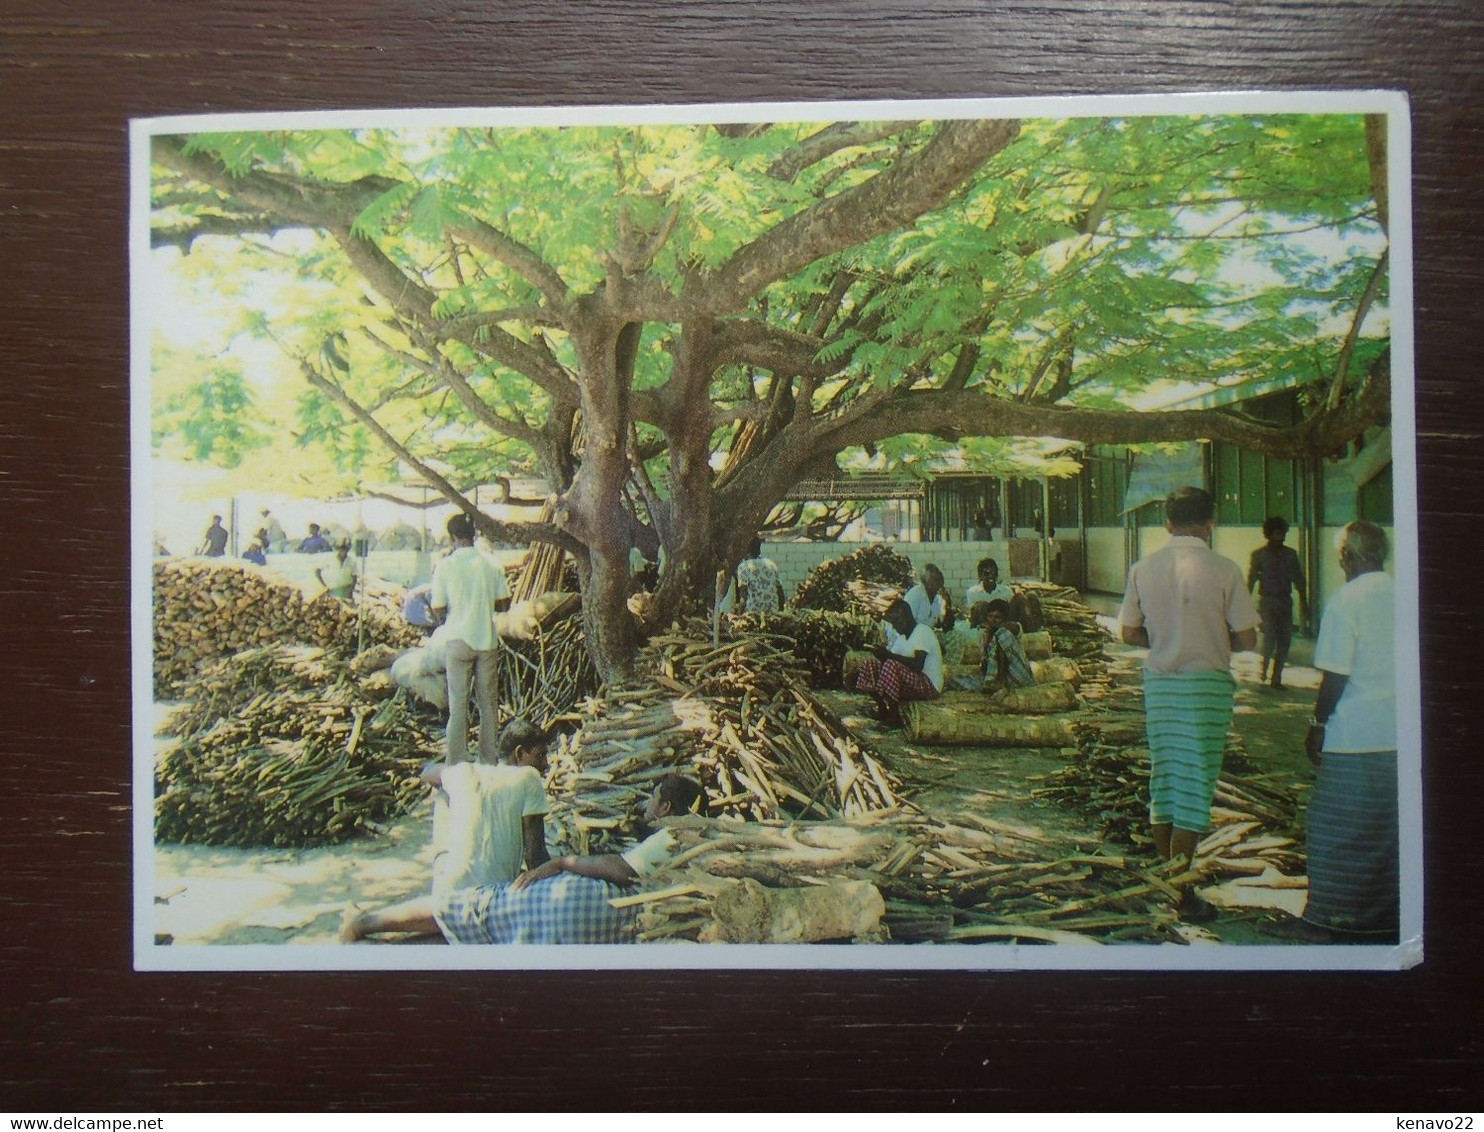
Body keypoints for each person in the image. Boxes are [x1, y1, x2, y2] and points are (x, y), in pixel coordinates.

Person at [340, 774, 704, 945]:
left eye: (653, 799)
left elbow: (622, 869)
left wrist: (564, 863)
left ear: (668, 808)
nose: (647, 806)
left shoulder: (673, 834)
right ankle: (380, 943)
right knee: (488, 931)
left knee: (477, 906)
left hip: (587, 908)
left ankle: (365, 923)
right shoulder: (703, 840)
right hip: (613, 927)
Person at [1119, 487, 1258, 917]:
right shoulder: (1225, 569)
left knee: (1166, 780)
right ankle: (1179, 891)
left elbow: (1128, 632)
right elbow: (1248, 638)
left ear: (1168, 522)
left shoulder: (1144, 568)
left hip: (1161, 685)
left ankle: (1169, 881)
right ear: (1211, 520)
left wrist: (1163, 638)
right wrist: (1211, 635)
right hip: (1206, 688)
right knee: (1196, 787)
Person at [1291, 521, 1397, 942]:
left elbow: (1334, 677)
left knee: (1337, 831)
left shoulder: (1345, 601)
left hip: (1355, 738)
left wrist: (1317, 725)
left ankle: (1331, 918)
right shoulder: (1406, 593)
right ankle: (1385, 917)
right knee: (1388, 830)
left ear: (1347, 557)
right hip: (1401, 737)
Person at [427, 718, 551, 898]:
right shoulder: (529, 777)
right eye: (540, 755)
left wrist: (451, 773)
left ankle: (443, 873)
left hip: (448, 895)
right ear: (519, 753)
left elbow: (427, 772)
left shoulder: (466, 772)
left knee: (443, 796)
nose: (545, 764)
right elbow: (535, 856)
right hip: (492, 897)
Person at [431, 512, 511, 763]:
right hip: (486, 641)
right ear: (474, 535)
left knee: (458, 703)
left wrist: (452, 615)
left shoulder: (444, 566)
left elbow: (438, 607)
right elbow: (504, 604)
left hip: (458, 640)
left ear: (452, 537)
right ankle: (488, 759)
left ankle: (457, 759)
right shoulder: (491, 563)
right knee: (489, 705)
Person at [853, 598, 944, 719]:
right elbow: (891, 663)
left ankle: (894, 715)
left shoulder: (923, 631)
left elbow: (917, 665)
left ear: (903, 618)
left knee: (891, 665)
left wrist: (888, 656)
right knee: (870, 664)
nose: (894, 627)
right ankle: (882, 708)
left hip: (928, 685)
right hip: (910, 682)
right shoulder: (901, 637)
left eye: (895, 622)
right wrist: (881, 655)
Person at [1248, 515, 1310, 688]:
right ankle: (1263, 673)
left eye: (1282, 533)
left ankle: (1277, 678)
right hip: (1268, 601)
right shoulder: (1259, 555)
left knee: (1284, 641)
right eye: (1276, 533)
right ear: (1268, 534)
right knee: (1269, 639)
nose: (1280, 536)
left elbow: (1299, 580)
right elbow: (1251, 580)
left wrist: (1304, 604)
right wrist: (1246, 605)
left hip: (1284, 601)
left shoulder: (1291, 555)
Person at [735, 538, 785, 615]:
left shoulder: (744, 567)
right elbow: (780, 592)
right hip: (772, 613)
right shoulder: (771, 564)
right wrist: (781, 612)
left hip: (753, 614)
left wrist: (739, 615)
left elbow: (743, 596)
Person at [902, 564, 951, 630]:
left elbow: (940, 624)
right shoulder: (915, 594)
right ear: (924, 581)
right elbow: (906, 624)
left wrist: (947, 602)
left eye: (940, 579)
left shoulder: (938, 598)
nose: (939, 582)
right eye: (935, 579)